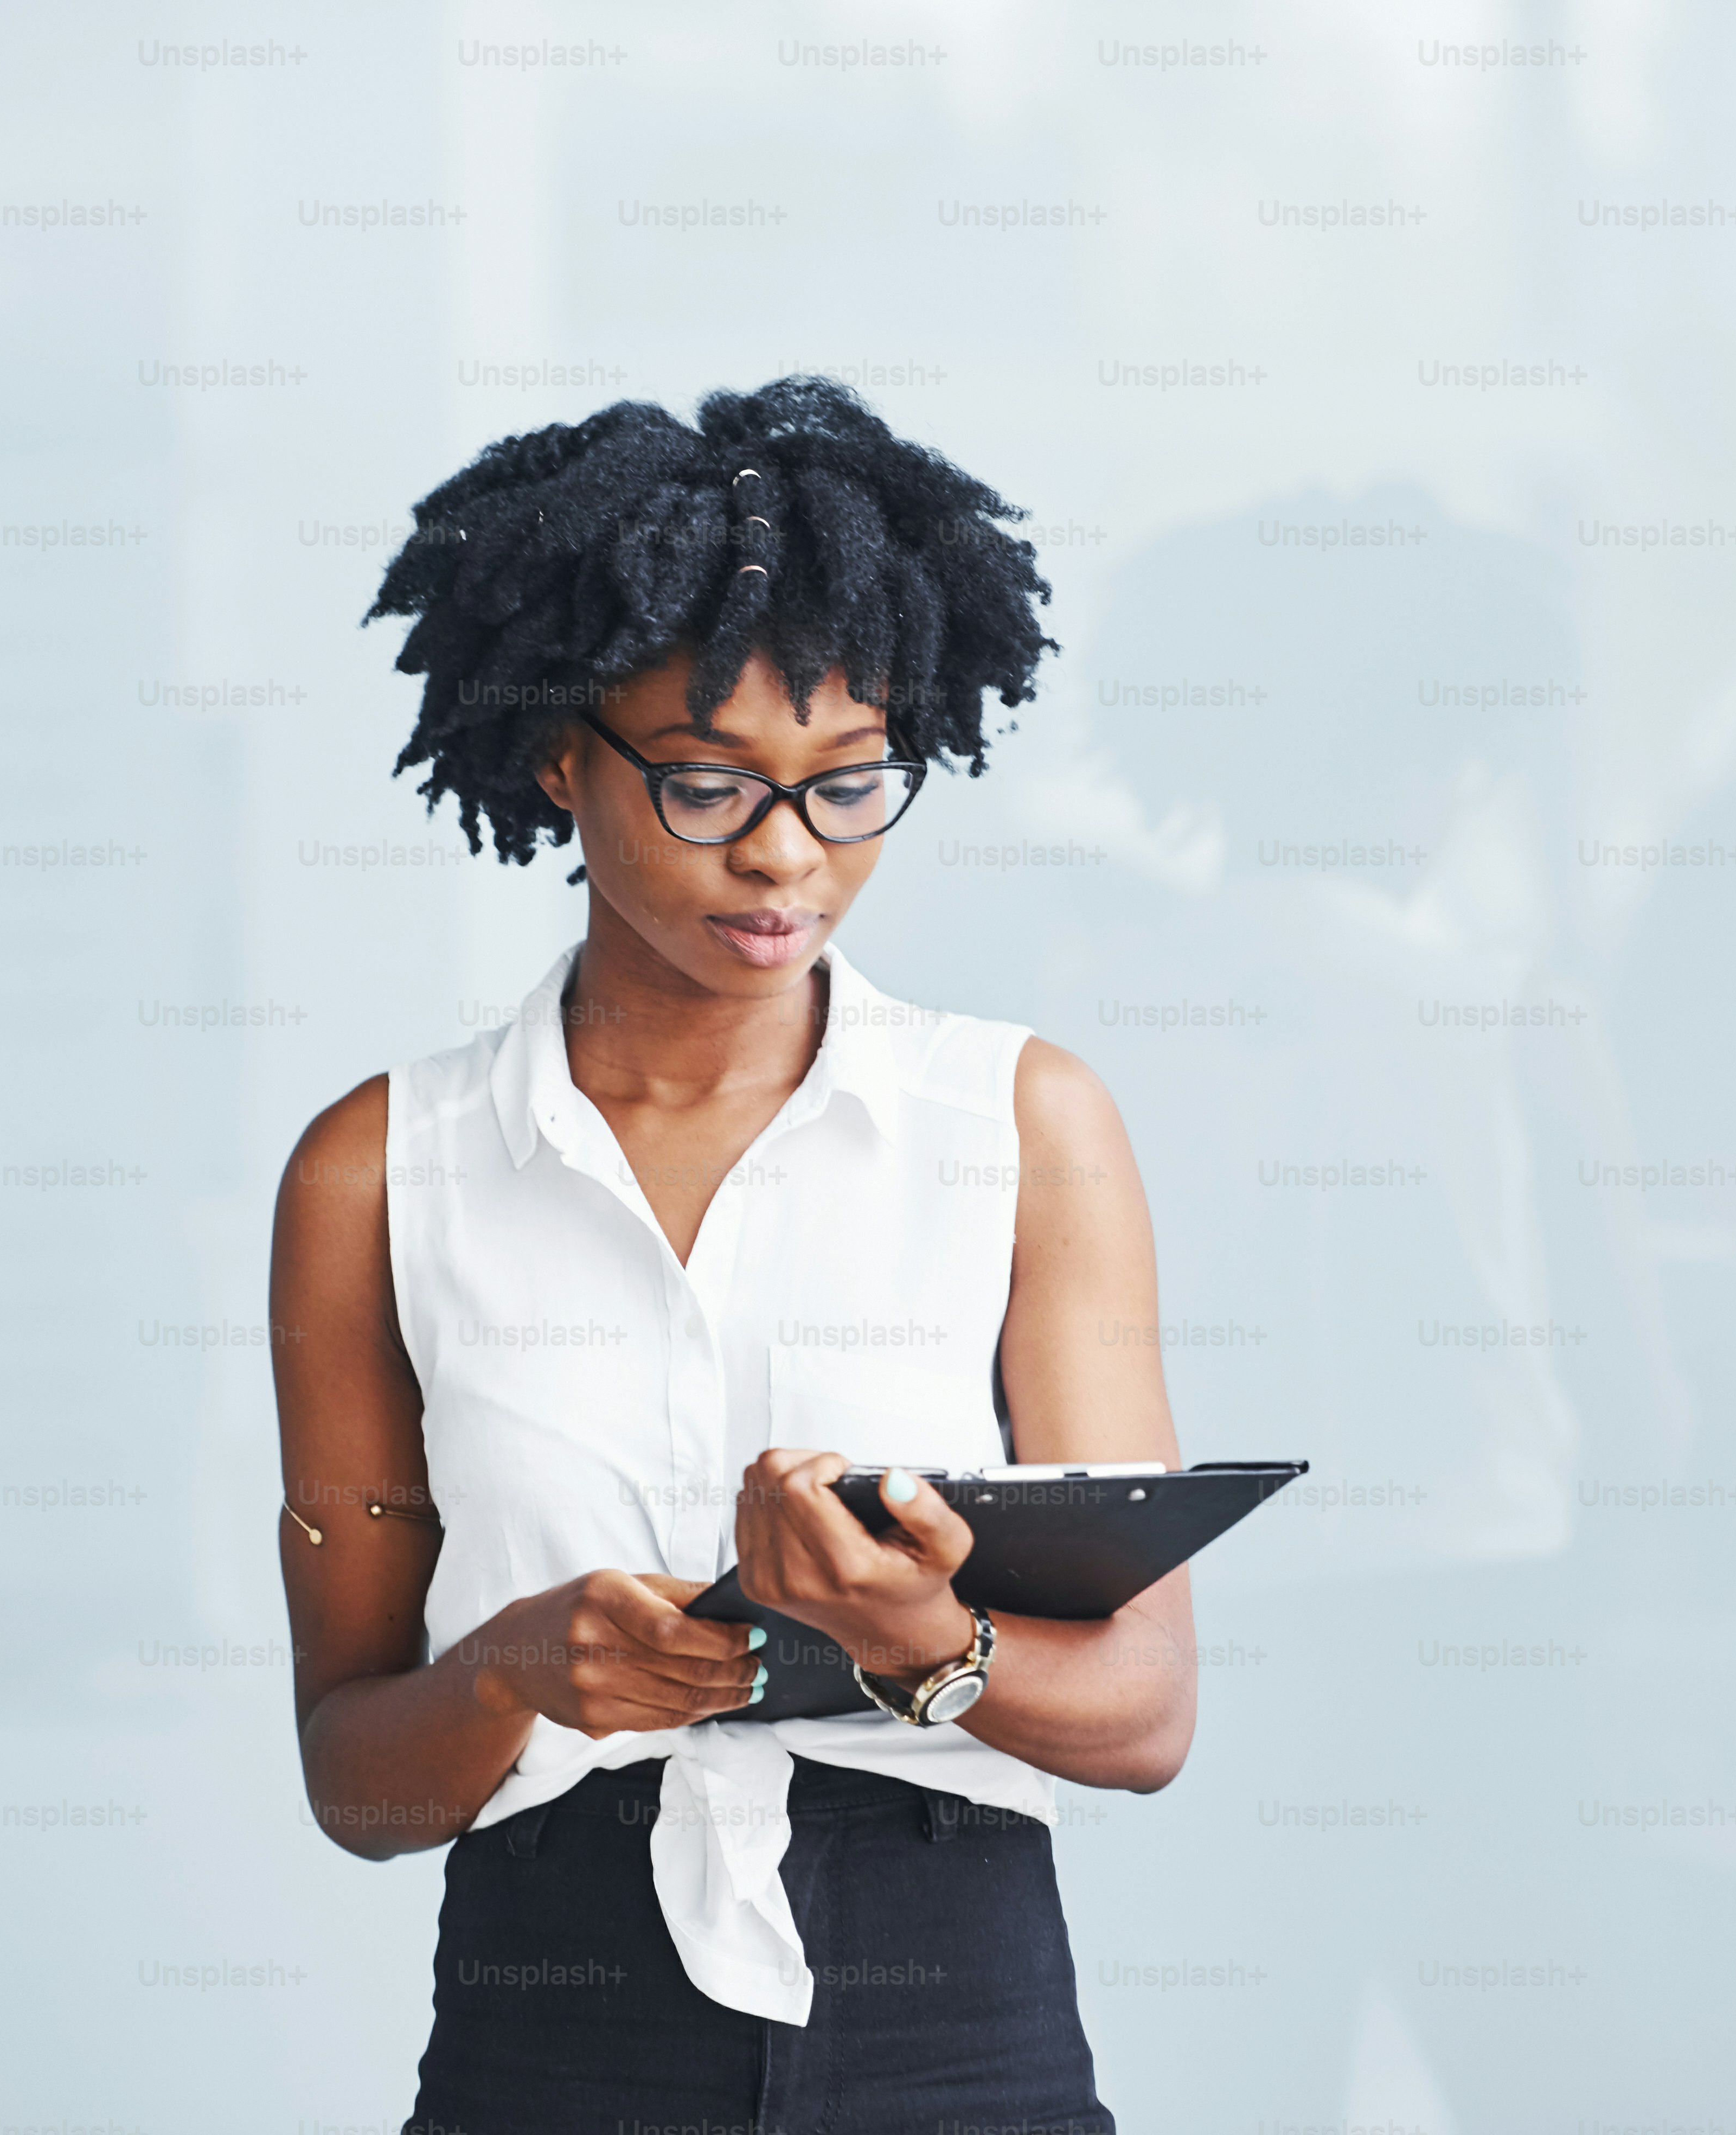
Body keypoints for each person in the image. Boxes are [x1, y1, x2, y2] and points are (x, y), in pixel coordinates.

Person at [270, 378, 1189, 2135]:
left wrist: (930, 1637)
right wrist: (507, 1675)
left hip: (956, 2025)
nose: (786, 858)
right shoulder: (379, 1173)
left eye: (850, 787)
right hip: (550, 2035)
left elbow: (1144, 1716)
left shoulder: (1017, 1124)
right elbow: (355, 1786)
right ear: (558, 753)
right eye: (706, 787)